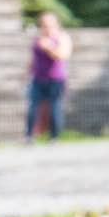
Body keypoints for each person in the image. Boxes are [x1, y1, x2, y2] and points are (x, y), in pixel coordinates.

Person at [26, 12, 72, 142]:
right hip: (38, 78)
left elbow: (63, 55)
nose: (46, 27)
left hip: (56, 79)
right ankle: (29, 136)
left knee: (55, 107)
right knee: (33, 107)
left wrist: (49, 47)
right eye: (43, 24)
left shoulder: (62, 38)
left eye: (48, 24)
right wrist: (27, 73)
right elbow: (33, 59)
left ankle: (54, 137)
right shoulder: (38, 39)